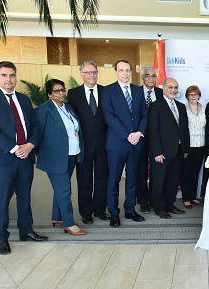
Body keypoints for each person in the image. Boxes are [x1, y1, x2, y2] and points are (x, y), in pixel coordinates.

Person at [0, 61, 48, 255]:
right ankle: (1, 238)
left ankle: (26, 230)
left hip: (25, 155)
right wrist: (16, 148)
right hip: (3, 158)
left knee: (25, 196)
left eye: (12, 75)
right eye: (4, 75)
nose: (9, 79)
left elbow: (34, 126)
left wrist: (30, 144)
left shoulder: (24, 100)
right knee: (2, 199)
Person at [35, 79, 86, 235]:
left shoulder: (68, 107)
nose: (61, 93)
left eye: (63, 90)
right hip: (55, 157)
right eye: (57, 91)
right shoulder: (43, 110)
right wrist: (44, 155)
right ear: (49, 94)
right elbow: (37, 135)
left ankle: (57, 217)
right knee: (64, 191)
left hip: (72, 154)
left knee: (61, 189)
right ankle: (69, 223)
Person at [101, 60, 147, 227]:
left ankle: (130, 209)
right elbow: (109, 117)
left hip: (136, 143)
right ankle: (114, 212)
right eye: (121, 70)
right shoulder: (107, 91)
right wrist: (128, 135)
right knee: (113, 179)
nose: (125, 73)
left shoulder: (137, 90)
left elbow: (144, 114)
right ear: (116, 72)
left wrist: (139, 133)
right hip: (116, 143)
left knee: (132, 178)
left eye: (128, 70)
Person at [67, 61, 109, 225]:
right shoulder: (73, 93)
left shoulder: (106, 91)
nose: (92, 75)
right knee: (84, 180)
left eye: (94, 72)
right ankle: (86, 212)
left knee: (102, 178)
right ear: (81, 74)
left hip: (104, 144)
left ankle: (100, 209)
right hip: (83, 146)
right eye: (88, 72)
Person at [148, 78, 189, 219]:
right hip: (162, 152)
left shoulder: (181, 106)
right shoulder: (156, 106)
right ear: (164, 88)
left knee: (172, 180)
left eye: (176, 87)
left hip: (177, 151)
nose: (173, 90)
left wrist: (185, 149)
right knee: (159, 181)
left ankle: (170, 204)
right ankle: (159, 207)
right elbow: (153, 131)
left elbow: (184, 130)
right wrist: (157, 152)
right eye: (170, 87)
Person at [137, 66, 164, 214]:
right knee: (140, 171)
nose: (151, 79)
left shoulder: (161, 93)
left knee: (156, 171)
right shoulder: (135, 92)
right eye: (148, 76)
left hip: (157, 139)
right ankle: (143, 201)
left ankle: (155, 199)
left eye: (154, 76)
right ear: (143, 77)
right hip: (140, 138)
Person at [180, 85, 206, 209]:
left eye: (196, 94)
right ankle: (186, 198)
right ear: (187, 96)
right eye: (191, 94)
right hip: (189, 146)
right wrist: (184, 148)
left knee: (195, 172)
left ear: (199, 96)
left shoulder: (204, 108)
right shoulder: (183, 109)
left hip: (201, 145)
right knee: (186, 173)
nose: (194, 96)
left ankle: (192, 197)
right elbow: (183, 130)